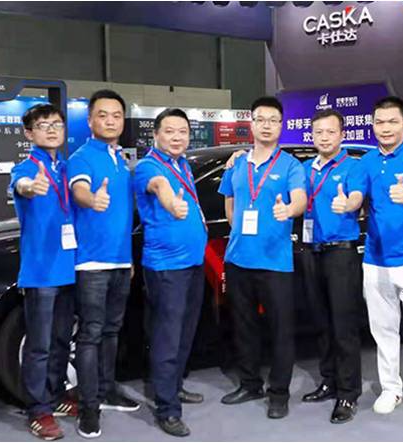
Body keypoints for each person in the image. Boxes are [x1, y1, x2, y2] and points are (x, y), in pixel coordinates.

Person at [337, 96, 403, 427]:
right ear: (373, 125)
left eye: (392, 122)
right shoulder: (366, 162)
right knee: (383, 331)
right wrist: (348, 204)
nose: (385, 128)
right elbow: (357, 195)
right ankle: (391, 389)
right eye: (379, 122)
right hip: (376, 260)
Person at [218, 96, 307, 419]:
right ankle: (250, 383)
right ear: (251, 123)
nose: (266, 125)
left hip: (275, 263)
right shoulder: (237, 163)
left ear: (281, 126)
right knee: (244, 327)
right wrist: (238, 227)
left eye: (273, 120)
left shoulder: (291, 166)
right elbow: (229, 202)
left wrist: (289, 210)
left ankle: (279, 393)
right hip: (238, 260)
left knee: (280, 330)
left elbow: (300, 199)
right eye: (261, 119)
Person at [67, 90, 138, 439]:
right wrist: (91, 199)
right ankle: (88, 407)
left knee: (111, 331)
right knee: (91, 335)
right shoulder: (82, 157)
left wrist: (129, 259)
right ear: (90, 120)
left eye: (116, 115)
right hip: (91, 264)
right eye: (103, 115)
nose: (110, 121)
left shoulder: (120, 160)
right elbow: (79, 190)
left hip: (120, 261)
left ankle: (107, 390)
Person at [133, 108, 208, 438]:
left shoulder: (183, 165)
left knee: (185, 333)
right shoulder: (149, 167)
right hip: (166, 268)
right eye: (170, 131)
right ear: (156, 135)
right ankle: (167, 409)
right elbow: (159, 186)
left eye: (183, 132)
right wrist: (171, 203)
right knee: (167, 337)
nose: (177, 137)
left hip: (192, 263)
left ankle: (174, 386)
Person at [9, 104, 77, 440]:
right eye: (43, 124)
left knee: (62, 339)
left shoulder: (65, 168)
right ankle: (37, 409)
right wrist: (29, 187)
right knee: (39, 345)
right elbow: (21, 185)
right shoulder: (25, 169)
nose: (51, 129)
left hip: (69, 269)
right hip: (40, 272)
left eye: (57, 124)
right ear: (29, 132)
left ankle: (56, 394)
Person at [298, 109, 363, 424]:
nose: (324, 137)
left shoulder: (353, 166)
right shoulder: (304, 168)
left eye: (330, 132)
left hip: (340, 253)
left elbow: (357, 197)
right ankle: (329, 381)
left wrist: (347, 203)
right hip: (311, 250)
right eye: (319, 132)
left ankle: (348, 393)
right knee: (321, 322)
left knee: (343, 325)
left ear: (342, 135)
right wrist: (239, 157)